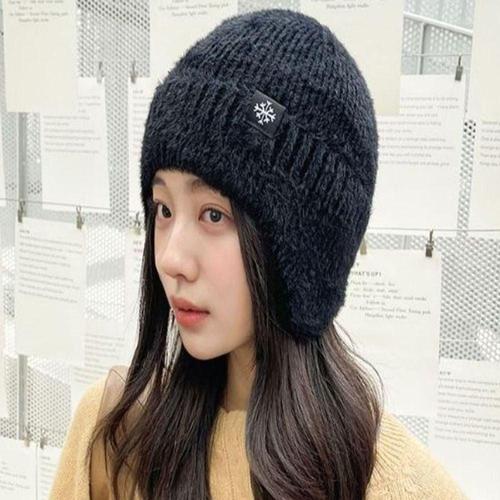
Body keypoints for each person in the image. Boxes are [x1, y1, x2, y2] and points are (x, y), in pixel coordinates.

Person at [49, 8, 468, 500]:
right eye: (163, 209)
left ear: (303, 250)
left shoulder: (400, 486)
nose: (171, 259)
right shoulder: (119, 436)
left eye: (213, 215)